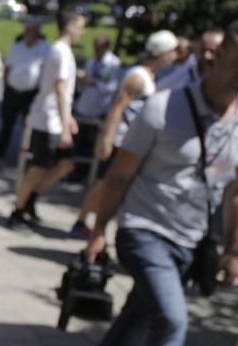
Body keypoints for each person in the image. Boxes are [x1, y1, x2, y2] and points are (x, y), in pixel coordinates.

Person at [80, 20, 238, 346]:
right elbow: (118, 176)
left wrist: (232, 251)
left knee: (142, 312)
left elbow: (237, 193)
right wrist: (98, 231)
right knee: (171, 318)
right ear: (221, 51)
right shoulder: (162, 106)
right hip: (144, 229)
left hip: (192, 240)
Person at [70, 30, 178, 237]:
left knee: (109, 185)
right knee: (105, 185)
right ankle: (83, 221)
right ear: (162, 52)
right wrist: (107, 140)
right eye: (172, 52)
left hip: (130, 141)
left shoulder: (148, 76)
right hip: (122, 140)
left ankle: (91, 223)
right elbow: (117, 107)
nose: (174, 57)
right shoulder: (138, 77)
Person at [7, 8, 86, 228]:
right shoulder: (60, 51)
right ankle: (18, 209)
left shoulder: (62, 51)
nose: (82, 32)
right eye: (80, 27)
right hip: (48, 119)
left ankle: (31, 198)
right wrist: (64, 125)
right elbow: (59, 88)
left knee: (66, 164)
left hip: (54, 118)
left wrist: (67, 119)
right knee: (38, 167)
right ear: (69, 26)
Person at [0, 20, 50, 168]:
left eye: (32, 32)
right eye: (27, 32)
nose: (29, 35)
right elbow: (8, 68)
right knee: (6, 124)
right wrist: (6, 88)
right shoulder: (16, 47)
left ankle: (27, 156)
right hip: (12, 91)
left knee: (29, 126)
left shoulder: (44, 49)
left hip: (31, 94)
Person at [69, 35, 123, 181]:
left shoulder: (113, 64)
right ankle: (75, 170)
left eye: (99, 48)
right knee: (78, 141)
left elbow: (112, 87)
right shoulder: (91, 61)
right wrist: (81, 82)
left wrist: (93, 82)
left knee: (91, 142)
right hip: (84, 105)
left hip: (99, 108)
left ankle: (87, 173)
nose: (96, 51)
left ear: (106, 48)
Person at [156, 28, 225, 92]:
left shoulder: (231, 83)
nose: (206, 56)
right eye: (202, 50)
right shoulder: (172, 83)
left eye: (212, 51)